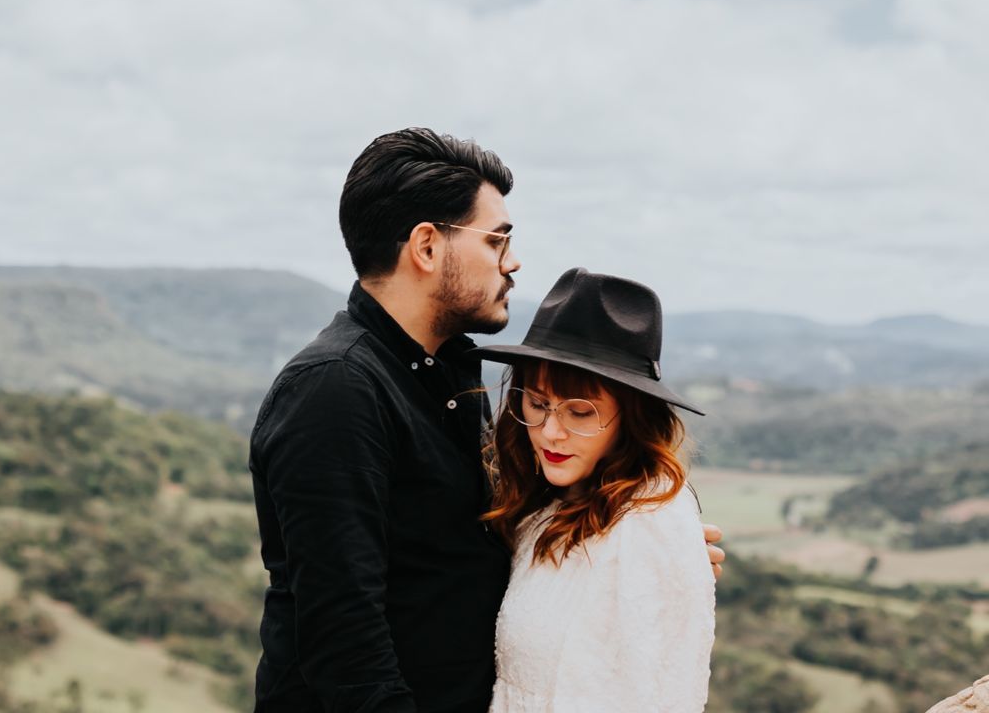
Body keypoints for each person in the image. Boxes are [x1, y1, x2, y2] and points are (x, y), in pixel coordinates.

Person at [250, 129, 724, 713]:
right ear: (427, 247)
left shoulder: (451, 375)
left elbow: (464, 549)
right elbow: (344, 642)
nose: (514, 261)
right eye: (498, 240)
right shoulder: (335, 390)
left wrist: (631, 552)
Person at [475, 268, 715, 713]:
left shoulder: (649, 526)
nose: (551, 433)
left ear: (632, 416)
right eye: (539, 403)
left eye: (580, 413)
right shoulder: (544, 504)